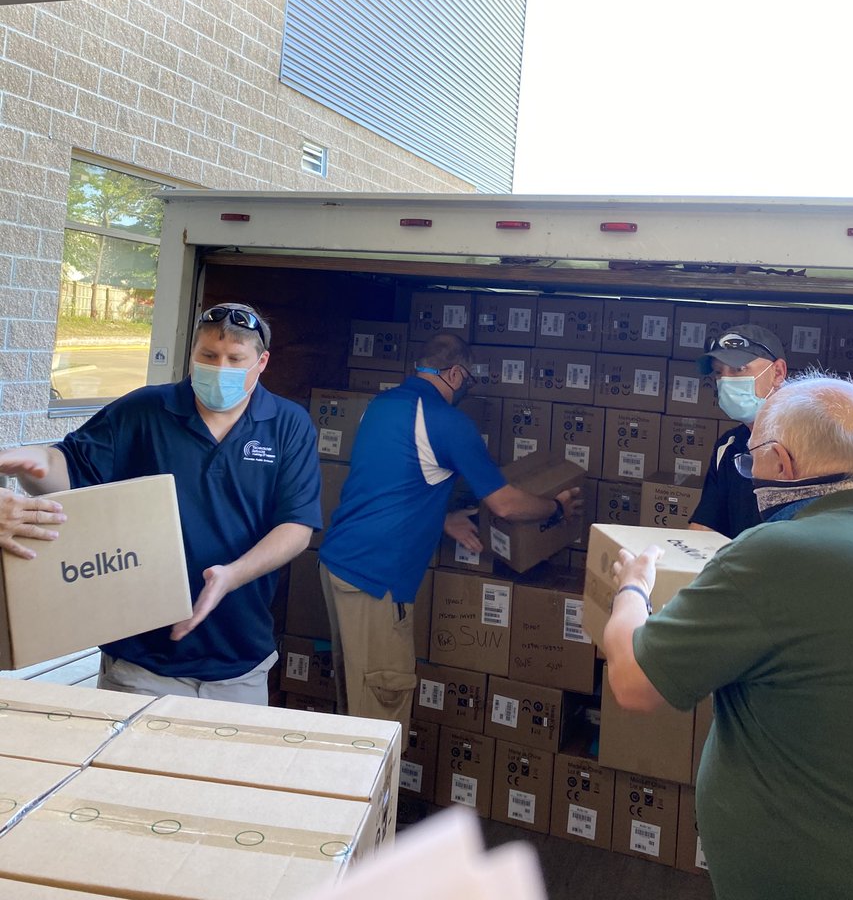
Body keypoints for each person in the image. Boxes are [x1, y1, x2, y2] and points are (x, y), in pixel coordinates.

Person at [604, 372, 853, 900]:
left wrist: (632, 590)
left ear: (782, 464)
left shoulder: (777, 552)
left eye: (753, 459)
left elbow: (633, 682)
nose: (750, 474)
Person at [0, 302, 321, 704]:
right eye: (208, 356)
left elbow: (296, 527)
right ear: (192, 354)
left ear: (262, 362)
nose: (220, 368)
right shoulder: (144, 410)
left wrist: (231, 576)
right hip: (141, 664)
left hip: (241, 663)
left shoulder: (288, 424)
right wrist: (37, 464)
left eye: (235, 359)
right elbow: (70, 471)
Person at [319, 332, 582, 744]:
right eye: (469, 379)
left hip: (337, 564)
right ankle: (371, 805)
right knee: (378, 717)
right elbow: (506, 505)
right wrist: (556, 509)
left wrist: (441, 519)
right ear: (457, 373)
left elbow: (390, 482)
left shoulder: (381, 406)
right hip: (376, 579)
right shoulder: (448, 422)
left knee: (353, 698)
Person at [690, 323, 788, 537]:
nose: (726, 380)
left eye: (739, 369)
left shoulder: (813, 441)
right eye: (718, 373)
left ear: (778, 372)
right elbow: (704, 526)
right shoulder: (729, 446)